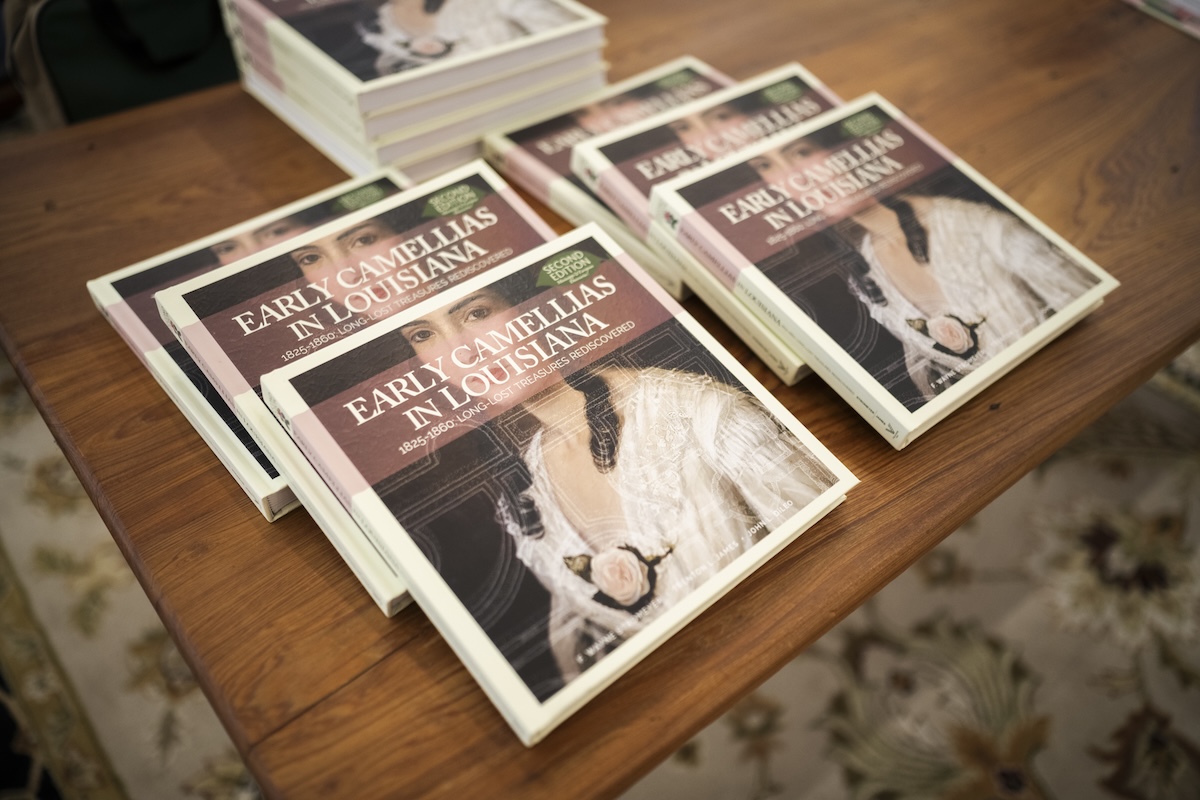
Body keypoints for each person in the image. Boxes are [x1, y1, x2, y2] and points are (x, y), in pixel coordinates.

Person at [396, 278, 836, 684]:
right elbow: (577, 649)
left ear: (533, 307)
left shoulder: (699, 411)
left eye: (475, 313)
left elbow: (835, 543)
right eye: (423, 335)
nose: (461, 351)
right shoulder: (527, 489)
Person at [750, 138, 1101, 403]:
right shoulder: (867, 270)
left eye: (802, 153)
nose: (795, 177)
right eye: (766, 166)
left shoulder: (978, 225)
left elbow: (1084, 303)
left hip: (1071, 381)